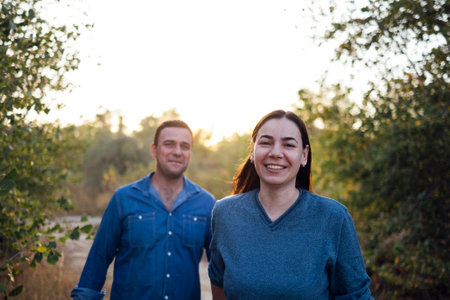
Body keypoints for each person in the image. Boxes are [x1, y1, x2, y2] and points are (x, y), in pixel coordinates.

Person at [208, 110, 373, 299]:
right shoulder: (225, 213)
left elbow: (356, 295)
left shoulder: (333, 218)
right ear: (253, 152)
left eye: (288, 145)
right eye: (265, 142)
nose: (276, 153)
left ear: (304, 155)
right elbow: (218, 285)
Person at [71, 120, 216, 300]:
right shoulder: (123, 199)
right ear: (154, 149)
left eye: (185, 146)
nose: (177, 152)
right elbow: (98, 260)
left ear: (190, 153)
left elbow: (221, 271)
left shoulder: (207, 204)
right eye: (169, 144)